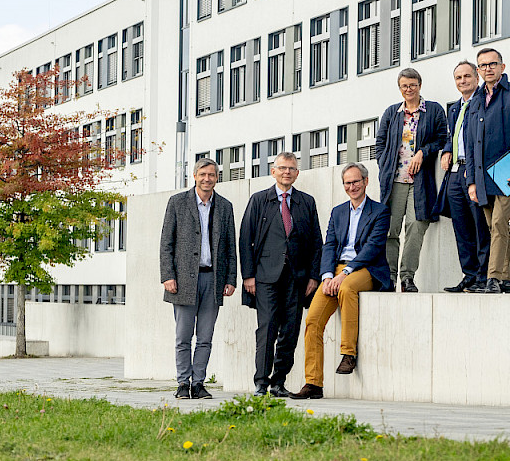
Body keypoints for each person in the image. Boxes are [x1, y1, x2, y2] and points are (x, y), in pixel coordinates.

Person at [290, 162, 391, 399]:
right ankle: (313, 384)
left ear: (366, 182)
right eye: (347, 183)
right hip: (336, 271)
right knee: (313, 320)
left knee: (346, 288)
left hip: (367, 269)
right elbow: (330, 245)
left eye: (356, 181)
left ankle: (348, 353)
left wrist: (344, 274)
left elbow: (373, 248)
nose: (352, 186)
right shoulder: (338, 212)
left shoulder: (380, 211)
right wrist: (327, 276)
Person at [239, 152, 323, 398]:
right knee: (266, 329)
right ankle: (261, 383)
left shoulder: (307, 202)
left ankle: (279, 382)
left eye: (292, 169)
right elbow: (246, 239)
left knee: (290, 330)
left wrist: (313, 277)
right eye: (282, 168)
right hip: (265, 277)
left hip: (297, 278)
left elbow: (317, 242)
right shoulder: (259, 200)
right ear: (273, 171)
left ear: (297, 174)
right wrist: (248, 276)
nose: (287, 172)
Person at [160, 157, 237, 399]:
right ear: (194, 176)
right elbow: (166, 243)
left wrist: (231, 279)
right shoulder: (177, 203)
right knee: (183, 337)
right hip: (183, 281)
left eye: (211, 175)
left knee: (205, 337)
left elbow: (229, 247)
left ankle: (199, 383)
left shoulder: (225, 207)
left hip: (212, 279)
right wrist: (167, 276)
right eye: (202, 174)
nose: (207, 179)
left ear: (217, 177)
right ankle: (183, 383)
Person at [465, 48, 510, 294]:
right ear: (478, 70)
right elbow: (471, 143)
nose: (488, 69)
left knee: (499, 222)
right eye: (483, 65)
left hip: (508, 173)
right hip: (483, 177)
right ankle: (508, 280)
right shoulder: (474, 100)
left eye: (492, 64)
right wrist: (472, 181)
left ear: (502, 67)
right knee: (496, 228)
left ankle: (492, 279)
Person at [375, 68, 448, 292]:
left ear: (419, 85)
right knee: (390, 229)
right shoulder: (391, 112)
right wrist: (384, 165)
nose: (409, 89)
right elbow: (380, 144)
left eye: (413, 85)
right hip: (394, 181)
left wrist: (423, 152)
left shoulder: (433, 110)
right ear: (400, 88)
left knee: (416, 226)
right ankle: (389, 277)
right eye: (405, 86)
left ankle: (407, 277)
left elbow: (442, 139)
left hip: (420, 181)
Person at [435, 61, 491, 293]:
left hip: (474, 171)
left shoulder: (483, 102)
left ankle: (483, 276)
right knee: (461, 228)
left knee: (480, 226)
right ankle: (468, 274)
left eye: (467, 76)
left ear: (477, 77)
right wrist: (447, 149)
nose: (463, 81)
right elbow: (454, 135)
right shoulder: (455, 107)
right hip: (455, 174)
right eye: (458, 78)